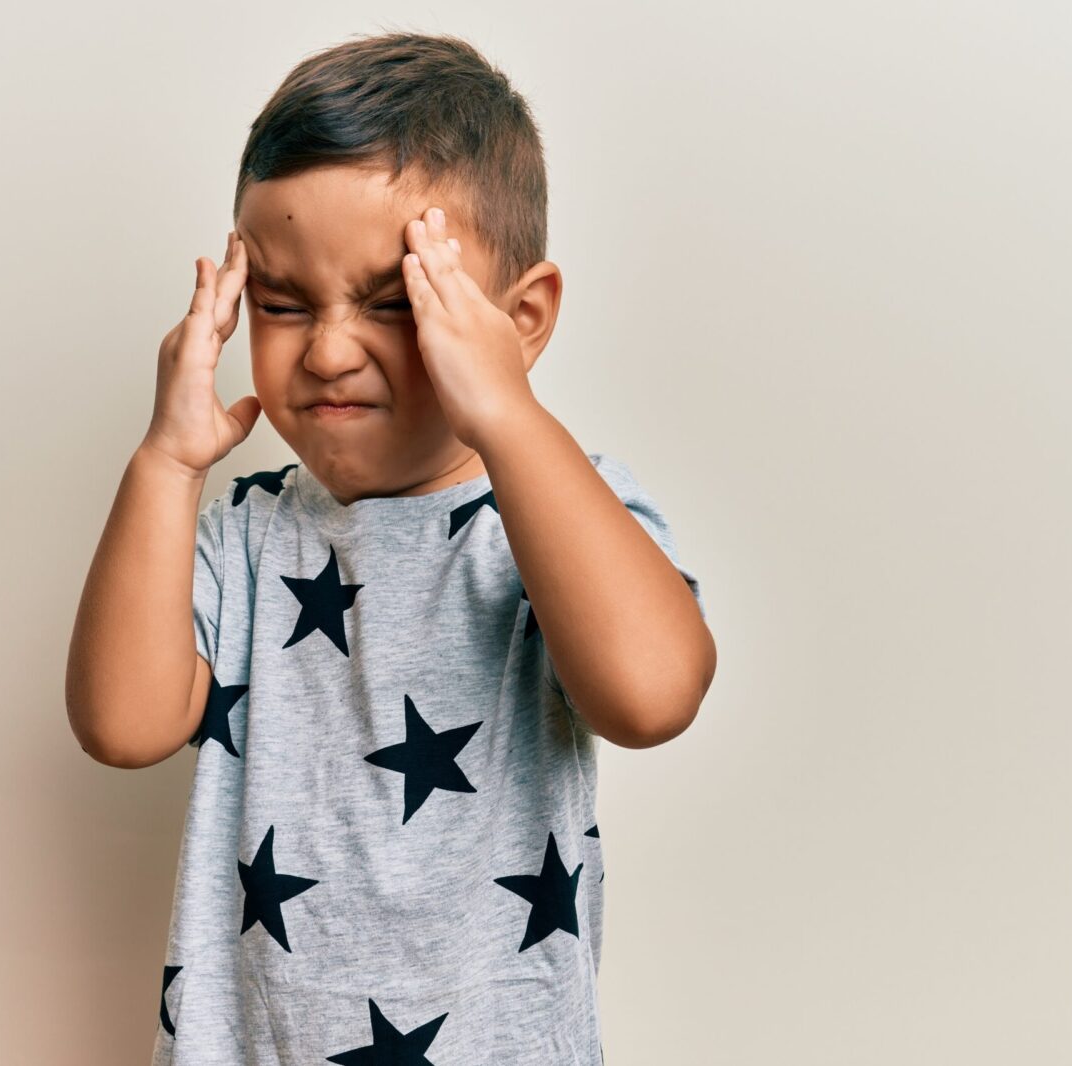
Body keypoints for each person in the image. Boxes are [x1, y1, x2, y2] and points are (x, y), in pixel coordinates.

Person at [65, 30, 717, 1066]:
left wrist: (507, 415)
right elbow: (122, 724)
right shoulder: (244, 533)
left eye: (392, 301)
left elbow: (651, 695)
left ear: (522, 317)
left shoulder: (551, 513)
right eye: (281, 304)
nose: (326, 349)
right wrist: (165, 465)